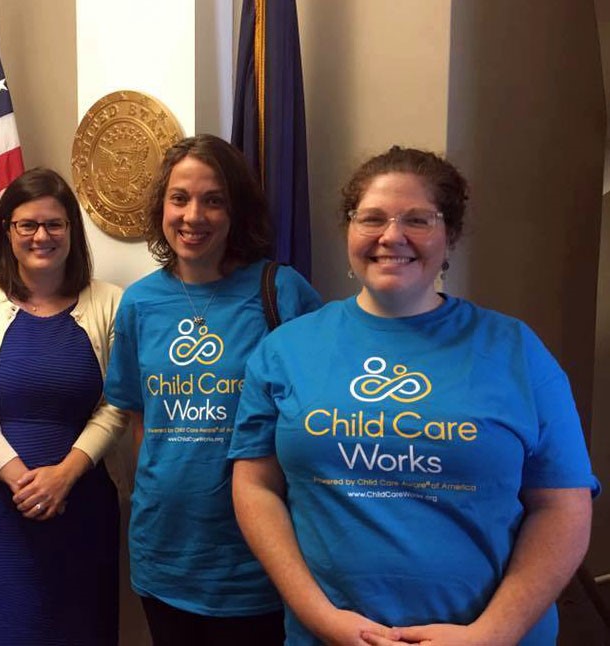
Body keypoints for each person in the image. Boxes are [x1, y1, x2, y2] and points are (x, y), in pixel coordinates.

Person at [230, 146, 599, 646]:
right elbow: (255, 487)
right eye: (372, 218)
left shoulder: (517, 351)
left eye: (418, 219)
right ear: (349, 231)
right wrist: (320, 616)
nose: (391, 236)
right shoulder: (284, 350)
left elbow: (563, 506)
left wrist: (491, 634)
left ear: (450, 237)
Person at [103, 134, 323, 646]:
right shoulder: (139, 303)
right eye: (179, 198)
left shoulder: (281, 291)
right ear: (162, 206)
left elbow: (319, 414)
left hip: (257, 556)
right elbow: (140, 419)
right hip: (165, 547)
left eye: (213, 199)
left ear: (236, 210)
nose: (193, 215)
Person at [0, 168, 128, 645]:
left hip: (81, 504)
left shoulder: (111, 303)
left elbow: (116, 404)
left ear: (72, 232)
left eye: (54, 224)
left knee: (79, 631)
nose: (41, 235)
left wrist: (63, 475)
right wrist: (21, 479)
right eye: (27, 224)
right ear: (7, 231)